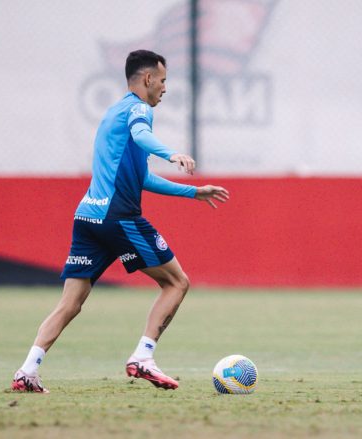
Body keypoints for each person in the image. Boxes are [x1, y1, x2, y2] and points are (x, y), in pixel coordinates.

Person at [12, 50, 230, 393]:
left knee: (70, 303)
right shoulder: (138, 110)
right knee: (177, 282)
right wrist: (170, 153)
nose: (164, 88)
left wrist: (193, 192)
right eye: (163, 80)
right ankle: (143, 356)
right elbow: (143, 134)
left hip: (87, 216)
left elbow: (142, 177)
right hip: (118, 217)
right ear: (147, 79)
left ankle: (27, 371)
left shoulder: (112, 113)